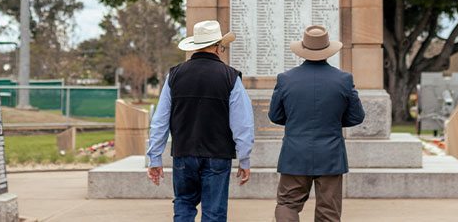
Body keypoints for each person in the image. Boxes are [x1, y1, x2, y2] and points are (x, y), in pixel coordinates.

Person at [146, 20, 254, 222]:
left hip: (183, 153)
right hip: (218, 154)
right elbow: (243, 124)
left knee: (183, 206)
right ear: (216, 47)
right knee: (214, 213)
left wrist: (155, 158)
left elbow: (159, 121)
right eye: (221, 46)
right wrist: (245, 158)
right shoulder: (231, 77)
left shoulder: (174, 76)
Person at [268, 25, 366, 222]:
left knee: (287, 204)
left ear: (303, 49)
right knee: (328, 212)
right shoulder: (344, 79)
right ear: (328, 50)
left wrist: (296, 121)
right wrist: (334, 121)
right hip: (330, 153)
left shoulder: (285, 79)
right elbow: (357, 117)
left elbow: (275, 115)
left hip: (295, 152)